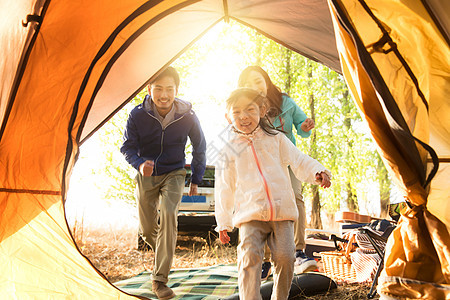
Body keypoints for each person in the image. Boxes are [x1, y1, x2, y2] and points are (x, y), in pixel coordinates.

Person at [215, 88, 331, 300]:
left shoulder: (275, 138)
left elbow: (298, 159)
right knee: (249, 258)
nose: (243, 116)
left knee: (286, 258)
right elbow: (224, 185)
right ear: (227, 117)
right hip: (250, 213)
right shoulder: (228, 149)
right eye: (237, 111)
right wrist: (223, 222)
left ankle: (280, 297)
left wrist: (318, 171)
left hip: (282, 211)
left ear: (262, 110)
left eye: (250, 109)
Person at [120, 66, 206, 299]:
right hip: (146, 174)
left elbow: (200, 146)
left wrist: (196, 178)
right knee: (148, 229)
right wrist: (139, 163)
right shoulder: (137, 114)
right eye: (159, 89)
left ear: (177, 90)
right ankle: (164, 253)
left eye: (170, 89)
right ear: (149, 89)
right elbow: (126, 147)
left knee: (169, 214)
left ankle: (159, 280)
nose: (164, 95)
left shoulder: (187, 115)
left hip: (174, 172)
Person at [238, 66, 317, 280]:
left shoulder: (286, 103)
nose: (255, 87)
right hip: (263, 164)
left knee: (296, 197)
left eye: (258, 81)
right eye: (249, 84)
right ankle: (265, 260)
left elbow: (301, 126)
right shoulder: (247, 107)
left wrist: (306, 126)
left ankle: (298, 251)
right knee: (261, 206)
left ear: (267, 81)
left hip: (287, 159)